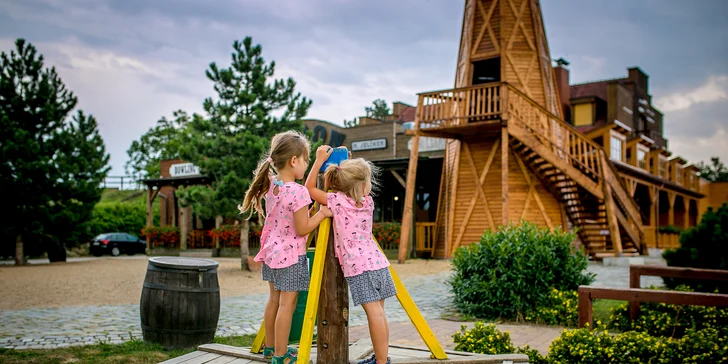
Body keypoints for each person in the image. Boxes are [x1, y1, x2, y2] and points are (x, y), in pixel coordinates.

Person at [239, 131, 332, 364]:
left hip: (271, 253)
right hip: (290, 257)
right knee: (286, 306)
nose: (306, 165)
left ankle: (270, 348)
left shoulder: (273, 185)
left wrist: (318, 161)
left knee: (273, 301)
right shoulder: (298, 192)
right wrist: (321, 213)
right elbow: (302, 228)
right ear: (294, 161)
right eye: (306, 160)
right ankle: (281, 356)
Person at [305, 145, 395, 364]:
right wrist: (346, 166)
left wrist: (318, 162)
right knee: (379, 314)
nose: (370, 185)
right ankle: (381, 357)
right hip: (378, 263)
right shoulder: (367, 203)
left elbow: (308, 189)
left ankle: (382, 362)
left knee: (374, 314)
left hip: (360, 267)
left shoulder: (337, 201)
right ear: (362, 186)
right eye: (368, 181)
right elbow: (349, 183)